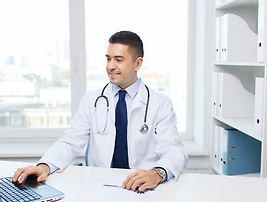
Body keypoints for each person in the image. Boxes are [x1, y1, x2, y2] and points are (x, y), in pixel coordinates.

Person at [13, 31, 188, 192]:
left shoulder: (159, 104)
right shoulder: (92, 100)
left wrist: (156, 174)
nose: (110, 66)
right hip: (99, 188)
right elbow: (70, 142)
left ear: (138, 63)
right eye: (108, 59)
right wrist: (45, 166)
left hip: (142, 189)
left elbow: (175, 152)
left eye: (118, 59)